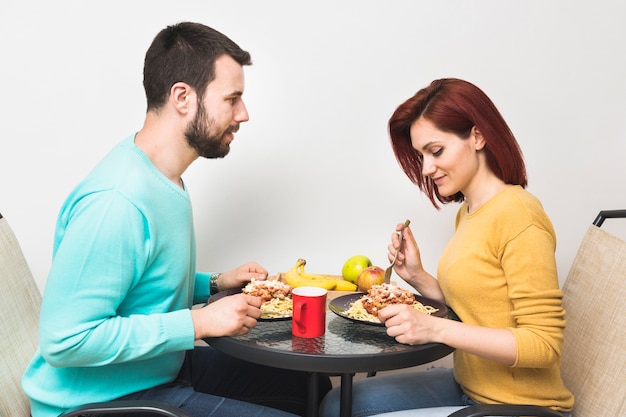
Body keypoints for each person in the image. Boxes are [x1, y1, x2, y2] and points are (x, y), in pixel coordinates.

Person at [22, 22, 331, 417]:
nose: (244, 114)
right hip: (98, 402)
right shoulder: (116, 202)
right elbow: (65, 340)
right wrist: (198, 323)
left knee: (311, 385)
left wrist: (214, 283)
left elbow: (142, 282)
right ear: (183, 97)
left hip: (154, 372)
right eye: (232, 99)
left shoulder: (164, 178)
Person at [319, 78, 574, 416]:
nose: (426, 168)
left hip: (517, 408)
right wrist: (417, 276)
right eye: (421, 155)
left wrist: (435, 327)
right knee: (338, 404)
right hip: (469, 388)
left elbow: (544, 345)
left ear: (478, 136)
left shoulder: (518, 214)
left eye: (436, 151)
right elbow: (478, 308)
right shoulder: (469, 212)